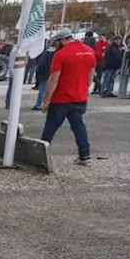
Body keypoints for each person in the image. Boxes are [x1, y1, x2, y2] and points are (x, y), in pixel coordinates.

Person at [40, 31, 96, 164]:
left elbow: (53, 79)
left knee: (50, 127)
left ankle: (41, 154)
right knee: (79, 126)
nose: (55, 46)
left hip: (61, 99)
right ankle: (85, 155)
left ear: (62, 40)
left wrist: (47, 100)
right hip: (80, 97)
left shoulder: (61, 55)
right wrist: (85, 90)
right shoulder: (89, 51)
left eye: (56, 43)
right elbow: (91, 75)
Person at [31, 41, 55, 110]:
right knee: (46, 90)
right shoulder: (55, 53)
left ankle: (39, 104)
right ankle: (41, 104)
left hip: (43, 73)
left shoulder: (45, 52)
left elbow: (41, 64)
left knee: (43, 90)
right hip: (49, 73)